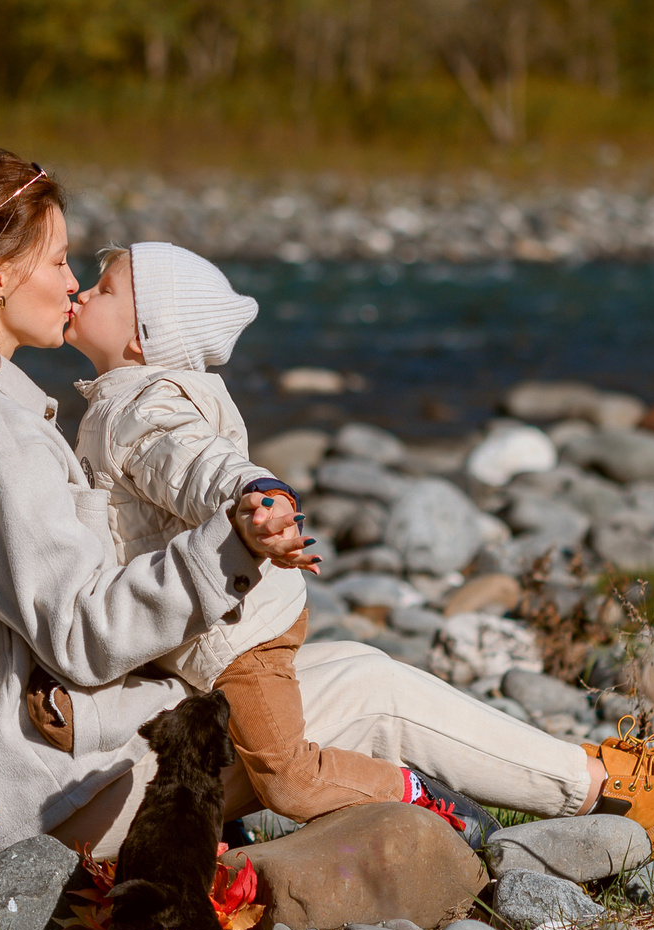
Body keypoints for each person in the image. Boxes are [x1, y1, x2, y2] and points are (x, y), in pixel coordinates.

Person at [0, 147, 654, 865]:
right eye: (57, 262)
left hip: (21, 792)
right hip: (61, 810)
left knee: (348, 681)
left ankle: (613, 785)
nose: (72, 283)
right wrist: (224, 550)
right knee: (368, 690)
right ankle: (631, 797)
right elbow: (83, 632)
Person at [65, 238, 494, 836]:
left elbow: (195, 464)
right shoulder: (115, 401)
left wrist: (255, 495)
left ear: (142, 336)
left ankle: (416, 793)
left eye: (104, 288)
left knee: (286, 776)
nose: (81, 292)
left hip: (238, 637)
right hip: (197, 631)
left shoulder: (145, 406)